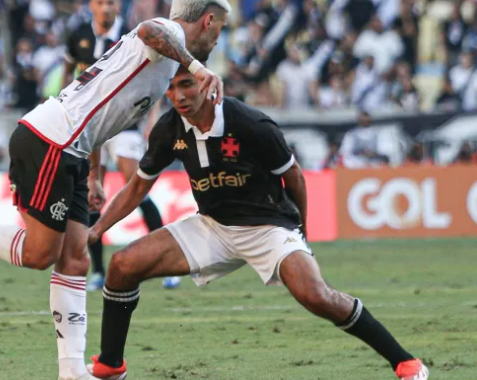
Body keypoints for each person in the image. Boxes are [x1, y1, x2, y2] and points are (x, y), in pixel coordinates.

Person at [0, 0, 229, 379]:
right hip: (49, 140)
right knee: (40, 255)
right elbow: (153, 31)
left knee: (76, 258)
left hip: (71, 150)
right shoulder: (161, 34)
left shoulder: (165, 65)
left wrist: (94, 174)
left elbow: (101, 115)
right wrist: (198, 66)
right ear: (206, 21)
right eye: (218, 30)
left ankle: (72, 372)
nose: (217, 39)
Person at [86, 67, 430, 380]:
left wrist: (301, 230)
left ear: (207, 84)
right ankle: (111, 365)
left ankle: (406, 362)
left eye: (187, 84)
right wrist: (98, 229)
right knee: (122, 265)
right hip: (213, 226)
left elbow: (294, 176)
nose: (179, 96)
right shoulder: (168, 129)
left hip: (269, 225)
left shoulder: (250, 123)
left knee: (316, 296)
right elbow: (137, 187)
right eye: (172, 88)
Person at [62, 0, 167, 291]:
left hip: (125, 123)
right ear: (91, 6)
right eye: (100, 3)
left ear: (118, 6)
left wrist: (152, 116)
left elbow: (156, 75)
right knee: (91, 192)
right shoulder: (79, 35)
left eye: (110, 3)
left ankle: (164, 261)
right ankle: (97, 270)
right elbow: (69, 69)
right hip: (91, 127)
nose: (106, 8)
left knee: (135, 185)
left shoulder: (134, 37)